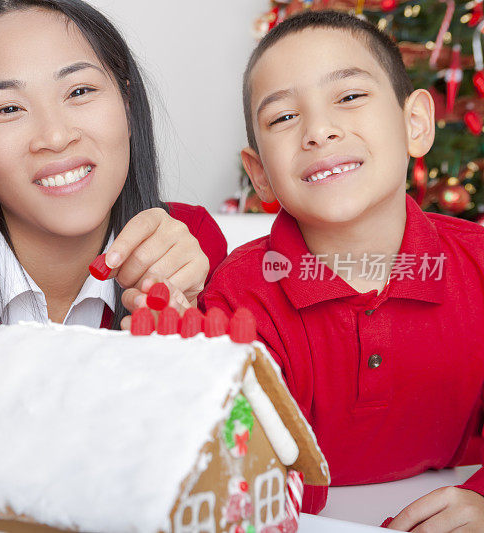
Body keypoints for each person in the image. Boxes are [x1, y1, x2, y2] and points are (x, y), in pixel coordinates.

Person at [202, 10, 484, 530]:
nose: (319, 131)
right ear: (261, 175)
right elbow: (243, 474)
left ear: (414, 124)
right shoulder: (242, 295)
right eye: (284, 117)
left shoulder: (478, 265)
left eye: (349, 97)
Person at [0, 0, 228, 348]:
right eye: (8, 108)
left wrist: (190, 337)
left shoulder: (189, 245)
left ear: (127, 104)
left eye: (79, 91)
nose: (55, 136)